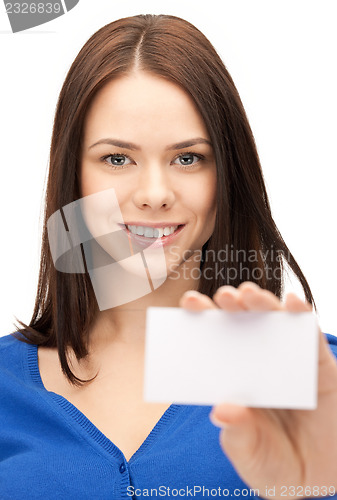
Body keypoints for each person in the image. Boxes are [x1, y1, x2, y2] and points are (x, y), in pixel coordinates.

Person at [1, 13, 337, 499]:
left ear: (227, 175)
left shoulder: (313, 379)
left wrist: (307, 489)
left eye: (188, 158)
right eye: (117, 159)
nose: (154, 194)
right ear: (72, 176)